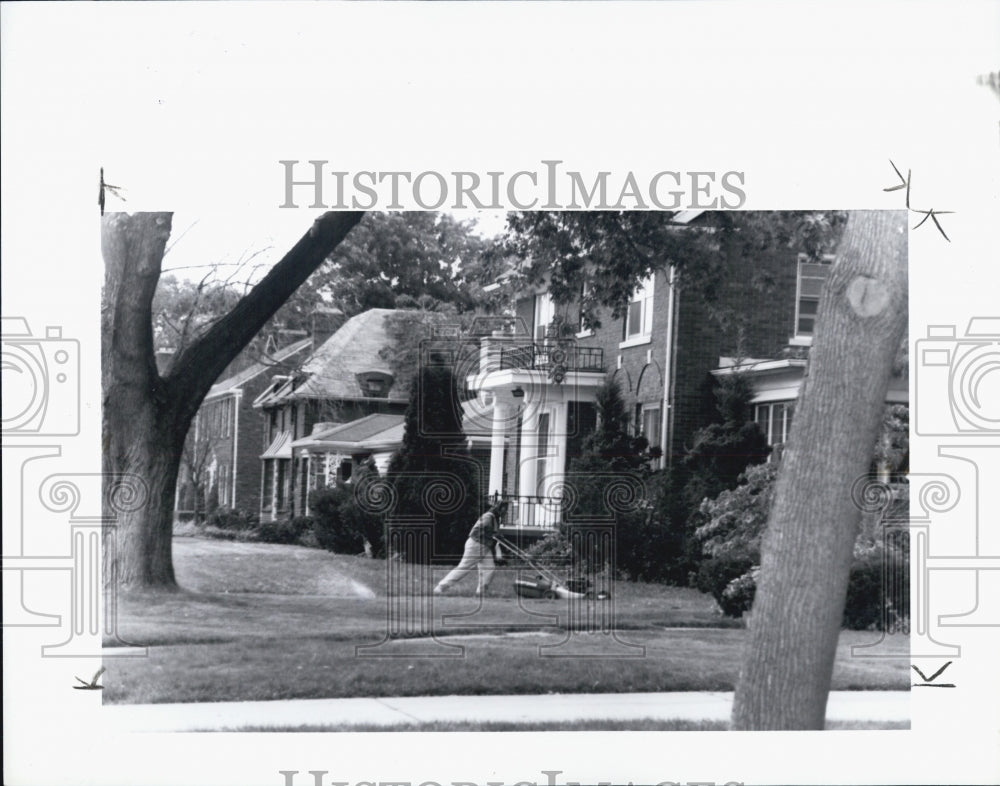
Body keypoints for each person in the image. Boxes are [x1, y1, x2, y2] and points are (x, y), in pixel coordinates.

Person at [434, 500, 508, 596]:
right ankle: (440, 587)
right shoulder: (488, 517)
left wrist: (496, 537)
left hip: (485, 547)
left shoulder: (495, 518)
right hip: (476, 545)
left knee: (489, 568)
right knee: (464, 568)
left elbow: (494, 535)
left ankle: (481, 592)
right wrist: (492, 534)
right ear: (499, 508)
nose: (506, 511)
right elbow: (478, 529)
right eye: (505, 509)